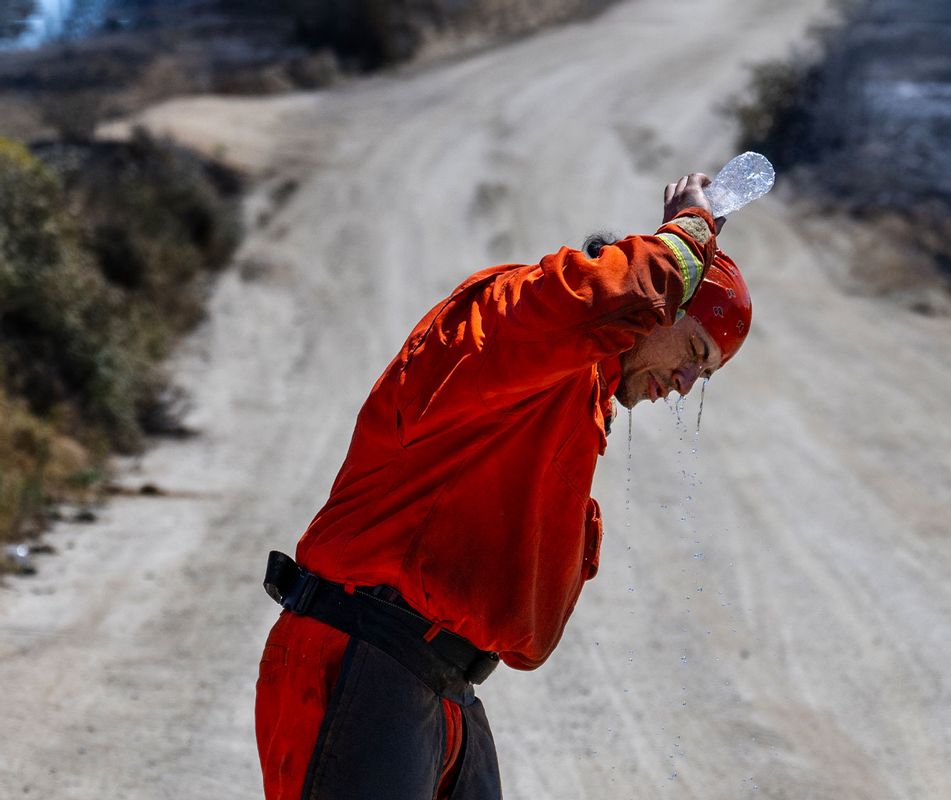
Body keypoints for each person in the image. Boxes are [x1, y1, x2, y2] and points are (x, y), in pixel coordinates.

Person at [255, 172, 752, 799]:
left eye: (701, 376)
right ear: (660, 306)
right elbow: (593, 298)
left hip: (440, 683)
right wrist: (688, 234)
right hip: (362, 654)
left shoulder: (578, 401)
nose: (684, 382)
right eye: (695, 351)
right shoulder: (510, 324)